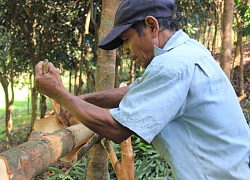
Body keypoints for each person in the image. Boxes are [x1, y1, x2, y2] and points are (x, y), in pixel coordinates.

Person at [35, 0, 250, 179]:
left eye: (126, 40)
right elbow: (133, 91)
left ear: (152, 26)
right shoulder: (188, 50)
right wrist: (78, 100)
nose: (126, 51)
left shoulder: (173, 65)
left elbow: (117, 129)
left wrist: (58, 94)